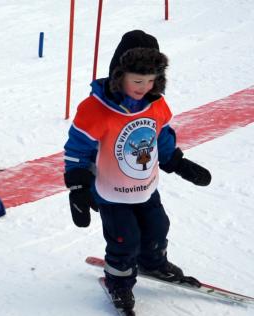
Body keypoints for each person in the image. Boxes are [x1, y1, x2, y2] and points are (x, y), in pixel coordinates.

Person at [63, 30, 211, 313]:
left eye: (152, 80)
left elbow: (161, 136)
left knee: (158, 227)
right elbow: (76, 151)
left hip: (145, 186)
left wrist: (178, 163)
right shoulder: (95, 109)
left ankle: (152, 262)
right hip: (111, 192)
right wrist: (79, 188)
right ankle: (118, 283)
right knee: (124, 240)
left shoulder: (155, 103)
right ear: (120, 74)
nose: (144, 87)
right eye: (137, 80)